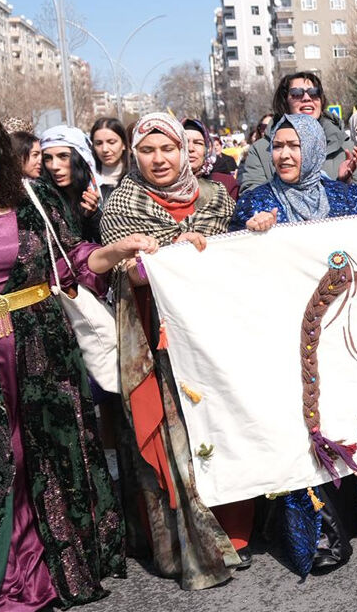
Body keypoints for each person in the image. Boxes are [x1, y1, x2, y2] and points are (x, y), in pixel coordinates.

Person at [0, 98, 155, 610]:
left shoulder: (34, 197)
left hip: (42, 354)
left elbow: (71, 260)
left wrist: (112, 252)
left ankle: (52, 574)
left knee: (44, 458)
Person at [228, 113, 357, 575]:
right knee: (298, 420)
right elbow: (232, 263)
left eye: (295, 146)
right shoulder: (254, 201)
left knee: (344, 412)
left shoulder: (344, 196)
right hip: (283, 330)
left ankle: (351, 510)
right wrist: (247, 234)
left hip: (339, 330)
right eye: (277, 146)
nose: (284, 155)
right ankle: (308, 528)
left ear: (315, 147)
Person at [99, 112, 247, 589]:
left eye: (168, 149)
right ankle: (190, 545)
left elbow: (243, 256)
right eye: (148, 150)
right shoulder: (122, 204)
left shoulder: (217, 198)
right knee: (172, 442)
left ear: (185, 151)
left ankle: (239, 530)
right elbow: (127, 278)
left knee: (222, 430)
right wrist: (168, 258)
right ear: (134, 155)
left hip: (216, 340)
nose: (158, 159)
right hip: (156, 348)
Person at [237, 71, 357, 200]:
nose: (307, 98)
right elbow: (250, 199)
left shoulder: (344, 146)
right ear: (285, 101)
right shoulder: (261, 149)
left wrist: (345, 183)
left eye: (314, 93)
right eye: (297, 93)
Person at [39, 124, 103, 241]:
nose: (54, 166)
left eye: (63, 156)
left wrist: (92, 215)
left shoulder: (101, 192)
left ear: (81, 158)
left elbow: (109, 244)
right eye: (47, 158)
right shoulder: (41, 199)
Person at [183, 118, 239, 200]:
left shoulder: (226, 184)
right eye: (185, 142)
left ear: (207, 149)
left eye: (198, 143)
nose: (190, 148)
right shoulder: (164, 184)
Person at [90, 117, 129, 200]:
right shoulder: (88, 179)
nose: (105, 149)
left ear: (124, 144)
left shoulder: (137, 177)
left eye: (111, 142)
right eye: (98, 143)